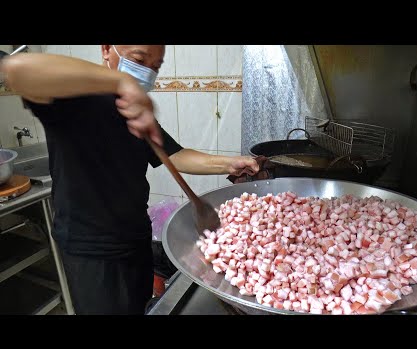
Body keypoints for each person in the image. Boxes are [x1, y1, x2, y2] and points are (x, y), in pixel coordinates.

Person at [0, 45, 260, 315]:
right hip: (92, 251)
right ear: (105, 49)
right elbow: (17, 69)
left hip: (135, 236)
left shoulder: (133, 110)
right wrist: (121, 80)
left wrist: (230, 163)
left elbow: (176, 155)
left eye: (155, 67)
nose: (146, 72)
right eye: (139, 59)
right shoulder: (73, 97)